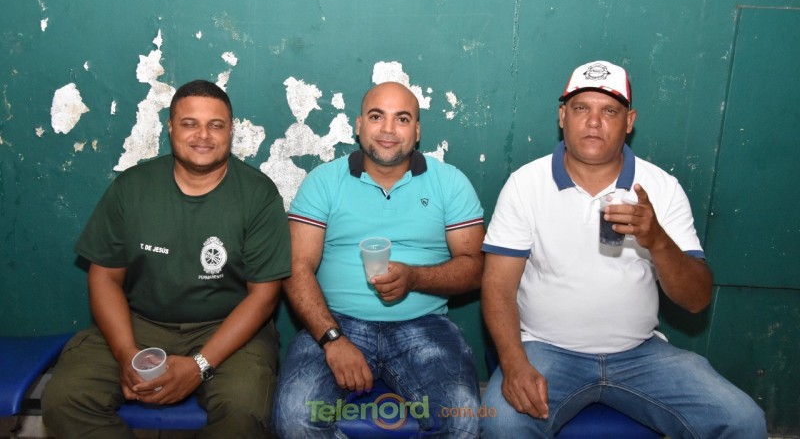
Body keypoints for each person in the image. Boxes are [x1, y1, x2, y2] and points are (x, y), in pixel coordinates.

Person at [480, 61, 766, 438]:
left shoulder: (660, 187)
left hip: (640, 354)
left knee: (743, 420)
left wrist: (657, 240)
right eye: (581, 108)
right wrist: (514, 362)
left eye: (610, 111)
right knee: (502, 423)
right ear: (563, 116)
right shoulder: (526, 184)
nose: (593, 121)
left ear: (629, 121)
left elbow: (696, 300)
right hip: (546, 350)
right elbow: (498, 286)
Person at [42, 80, 291, 438]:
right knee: (65, 398)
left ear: (231, 131)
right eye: (190, 123)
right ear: (170, 127)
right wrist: (126, 352)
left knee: (243, 409)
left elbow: (263, 297)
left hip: (227, 327)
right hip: (139, 322)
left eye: (216, 125)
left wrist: (199, 365)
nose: (203, 135)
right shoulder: (132, 187)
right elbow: (104, 277)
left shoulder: (258, 194)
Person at [272, 82, 485, 438]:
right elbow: (296, 267)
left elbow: (476, 266)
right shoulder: (324, 181)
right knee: (294, 417)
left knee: (462, 418)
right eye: (376, 117)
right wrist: (333, 340)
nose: (388, 129)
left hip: (425, 324)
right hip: (336, 322)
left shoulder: (450, 182)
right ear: (359, 125)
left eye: (402, 119)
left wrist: (415, 278)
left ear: (417, 131)